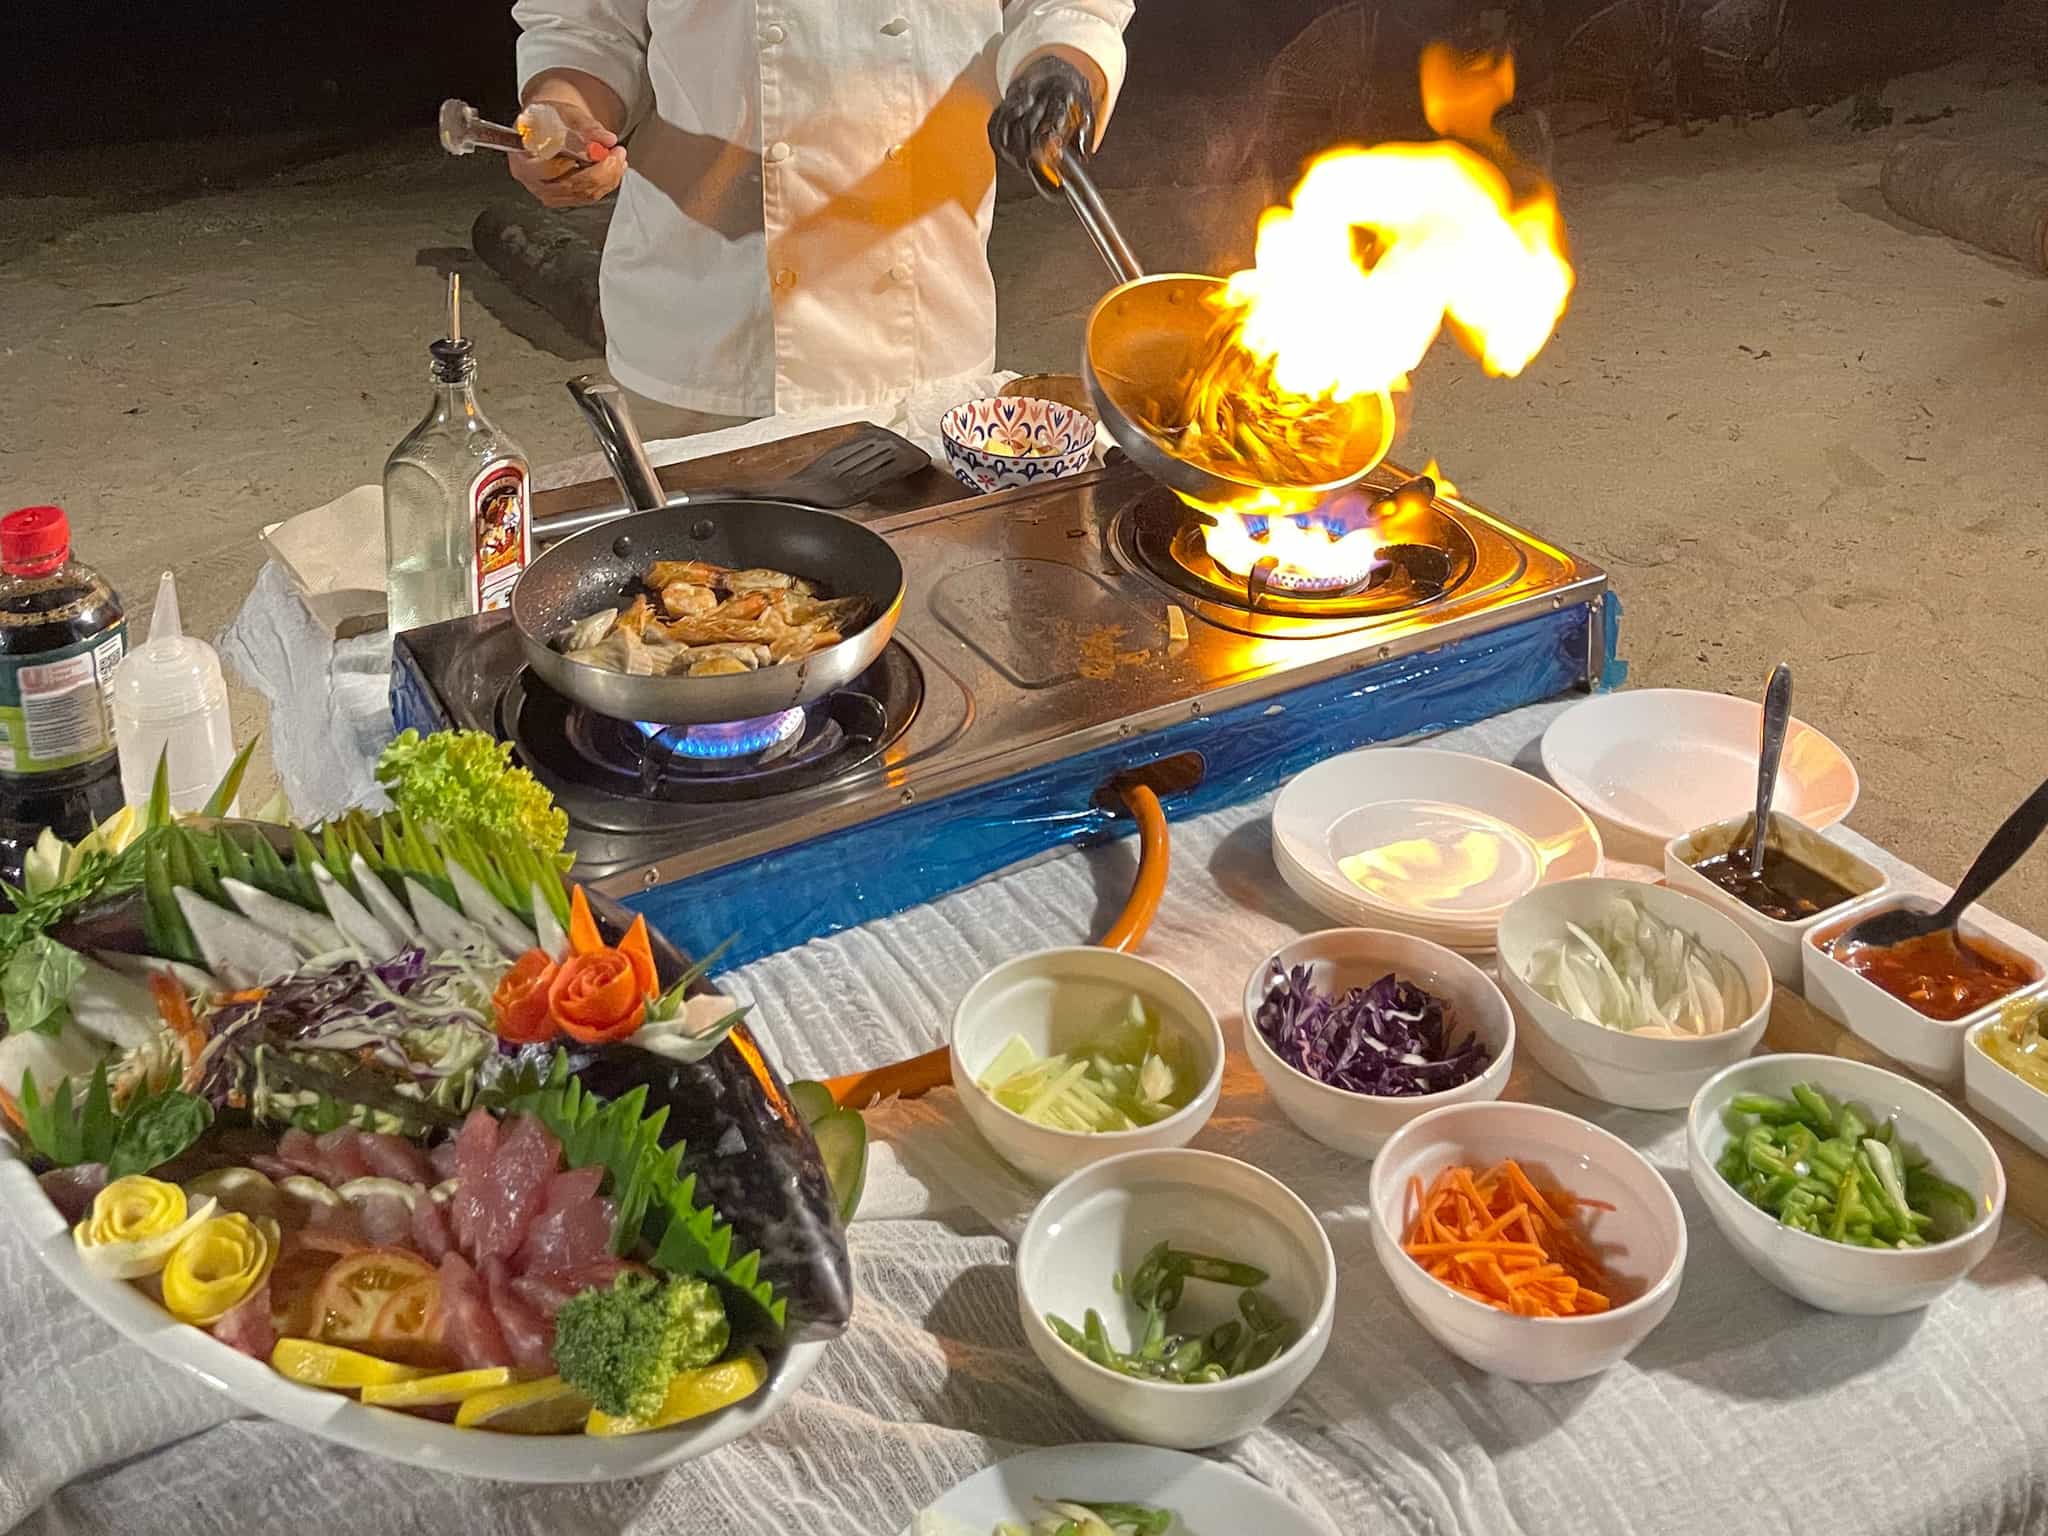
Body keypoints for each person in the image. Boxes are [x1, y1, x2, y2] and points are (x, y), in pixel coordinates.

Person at [508, 0, 1136, 440]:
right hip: (704, 329)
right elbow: (584, 26)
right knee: (685, 604)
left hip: (922, 332)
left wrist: (1065, 67)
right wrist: (564, 115)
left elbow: (1073, 6)